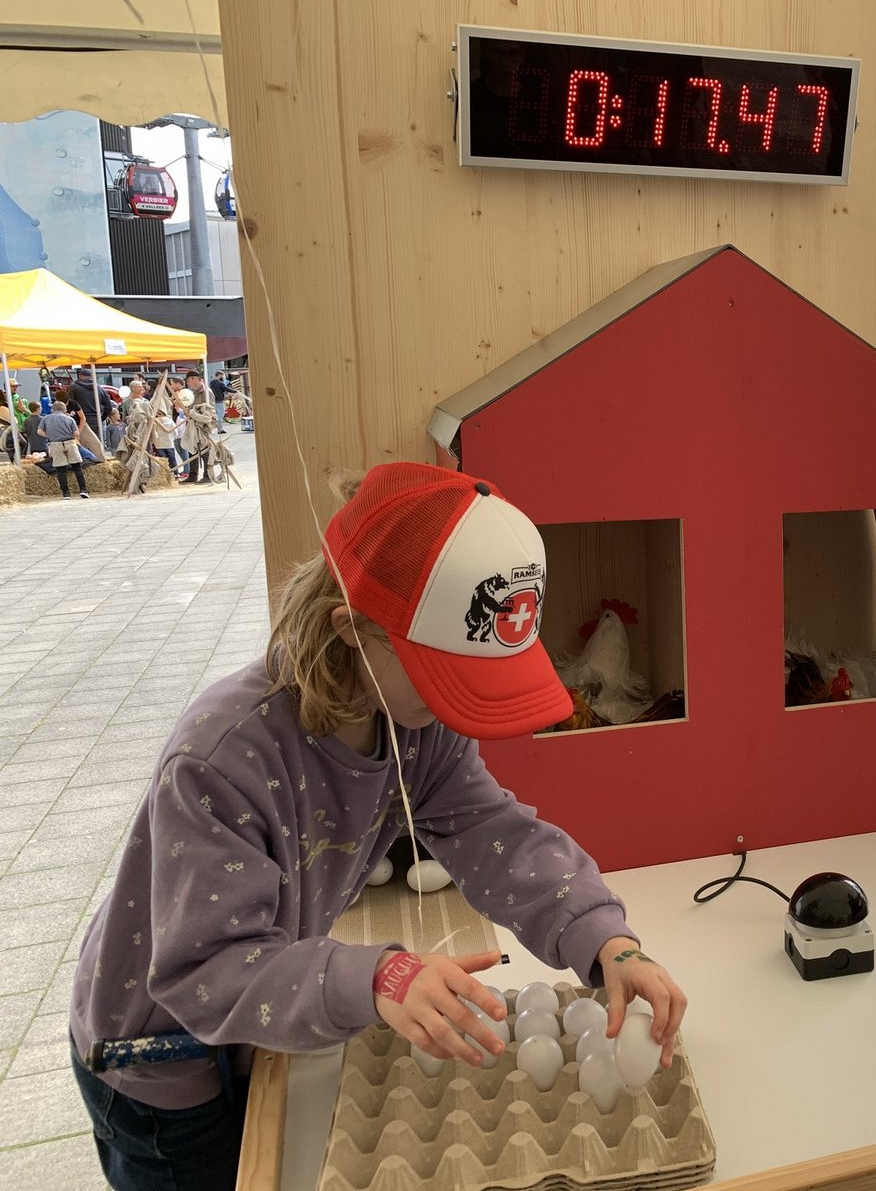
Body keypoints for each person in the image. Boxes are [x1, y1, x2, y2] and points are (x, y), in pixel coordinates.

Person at [69, 463, 688, 1191]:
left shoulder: (414, 723)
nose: (457, 712)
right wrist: (378, 975)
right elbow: (203, 968)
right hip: (156, 1054)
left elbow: (497, 835)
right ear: (351, 631)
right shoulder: (221, 759)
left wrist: (605, 941)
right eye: (443, 675)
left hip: (261, 1012)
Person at [40, 401, 89, 498]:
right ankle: (83, 490)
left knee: (61, 469)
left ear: (52, 409)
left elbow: (39, 431)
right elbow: (76, 433)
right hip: (69, 443)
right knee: (77, 467)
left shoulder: (45, 418)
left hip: (55, 444)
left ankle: (66, 493)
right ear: (65, 410)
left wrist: (48, 435)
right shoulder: (69, 419)